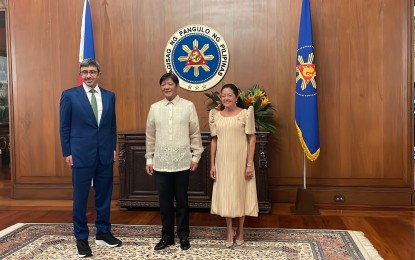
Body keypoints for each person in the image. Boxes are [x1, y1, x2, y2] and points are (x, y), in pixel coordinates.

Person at [59, 58, 122, 258]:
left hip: (104, 153)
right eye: (85, 72)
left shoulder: (110, 96)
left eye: (92, 72)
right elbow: (64, 126)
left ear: (98, 74)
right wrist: (67, 152)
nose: (88, 75)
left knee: (104, 195)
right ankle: (81, 237)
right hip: (80, 154)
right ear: (81, 74)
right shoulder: (69, 96)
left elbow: (111, 126)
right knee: (81, 197)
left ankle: (103, 232)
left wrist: (112, 147)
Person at [145, 72, 204, 251]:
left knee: (182, 201)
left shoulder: (188, 106)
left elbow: (194, 132)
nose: (166, 87)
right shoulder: (154, 108)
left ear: (176, 86)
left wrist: (196, 156)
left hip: (182, 163)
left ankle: (184, 236)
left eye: (169, 84)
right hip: (161, 163)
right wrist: (149, 158)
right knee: (165, 203)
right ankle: (167, 237)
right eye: (163, 84)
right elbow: (150, 135)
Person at [209, 83, 258, 248]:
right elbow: (214, 140)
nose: (226, 98)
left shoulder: (245, 114)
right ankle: (229, 229)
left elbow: (252, 138)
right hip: (223, 162)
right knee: (227, 194)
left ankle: (241, 229)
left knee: (240, 193)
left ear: (237, 97)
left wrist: (249, 163)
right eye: (223, 95)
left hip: (241, 161)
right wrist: (212, 164)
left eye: (229, 95)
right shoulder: (215, 115)